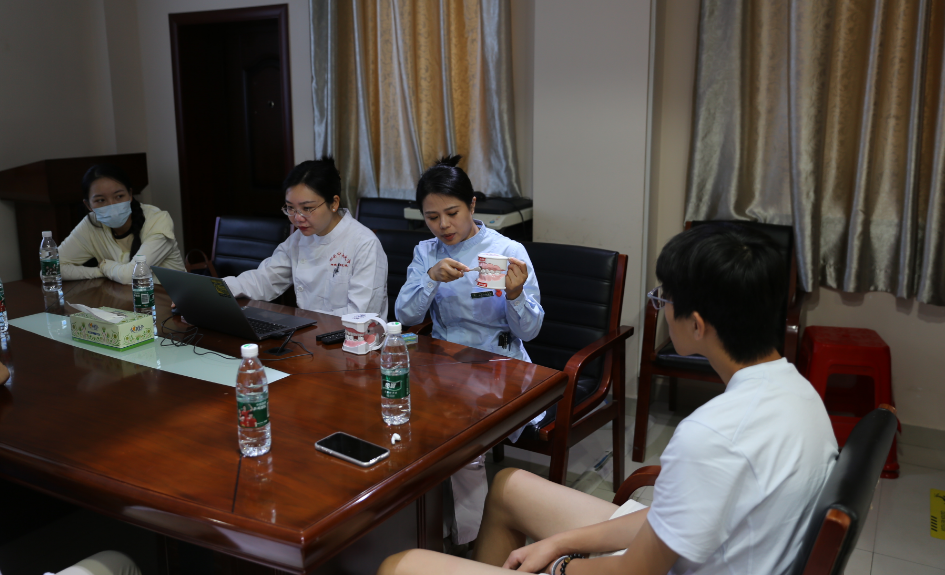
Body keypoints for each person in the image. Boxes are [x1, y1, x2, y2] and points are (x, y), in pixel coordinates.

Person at [379, 224, 838, 575]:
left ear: (697, 325)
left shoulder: (710, 435)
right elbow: (674, 517)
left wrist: (557, 566)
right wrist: (561, 541)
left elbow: (634, 571)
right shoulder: (800, 394)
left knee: (400, 565)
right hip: (714, 549)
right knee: (508, 485)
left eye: (664, 298)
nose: (661, 306)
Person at [394, 155, 544, 546]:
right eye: (432, 217)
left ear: (472, 205)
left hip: (499, 365)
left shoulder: (506, 251)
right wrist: (430, 278)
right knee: (399, 417)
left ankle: (474, 545)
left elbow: (530, 331)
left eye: (452, 213)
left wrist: (515, 294)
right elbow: (405, 315)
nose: (443, 225)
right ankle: (424, 527)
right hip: (444, 365)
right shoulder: (427, 253)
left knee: (462, 443)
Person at [224, 158, 388, 317]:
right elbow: (264, 279)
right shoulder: (298, 239)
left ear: (334, 203)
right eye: (290, 208)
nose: (298, 218)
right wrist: (219, 289)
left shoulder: (364, 244)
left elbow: (360, 314)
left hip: (351, 334)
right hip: (310, 330)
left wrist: (304, 322)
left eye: (307, 208)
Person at [60, 164, 185, 284]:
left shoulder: (158, 220)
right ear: (88, 205)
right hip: (125, 297)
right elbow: (52, 268)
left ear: (130, 195)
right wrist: (100, 272)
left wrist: (105, 265)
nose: (112, 205)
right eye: (100, 200)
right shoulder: (91, 224)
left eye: (119, 196)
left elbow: (132, 275)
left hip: (171, 297)